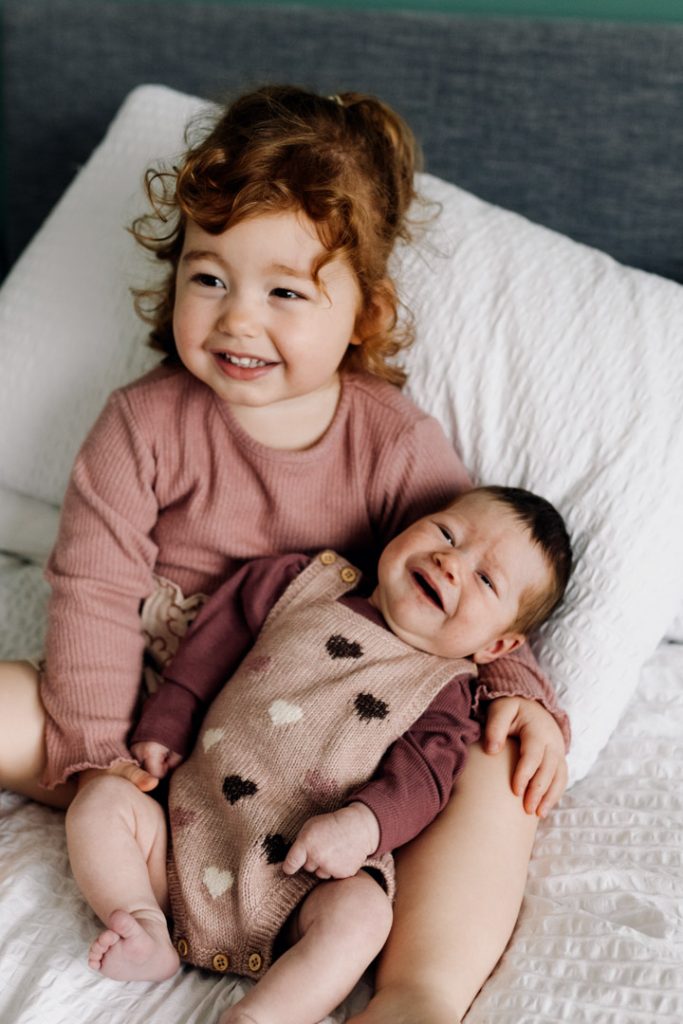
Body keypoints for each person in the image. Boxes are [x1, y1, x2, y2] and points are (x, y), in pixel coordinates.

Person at [0, 86, 569, 1024]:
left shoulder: (390, 443)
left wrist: (523, 699)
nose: (236, 319)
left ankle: (418, 989)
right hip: (161, 709)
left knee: (495, 774)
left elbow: (474, 585)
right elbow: (93, 590)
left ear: (361, 313)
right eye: (208, 276)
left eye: (284, 292)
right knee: (22, 697)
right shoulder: (143, 423)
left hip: (337, 759)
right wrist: (103, 751)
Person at [65, 485, 572, 1024]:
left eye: (485, 580)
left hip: (302, 880)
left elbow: (424, 779)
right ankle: (143, 922)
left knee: (363, 916)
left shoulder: (447, 692)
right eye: (446, 533)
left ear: (496, 647)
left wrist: (364, 826)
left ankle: (264, 1016)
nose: (451, 563)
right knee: (103, 798)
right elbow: (213, 642)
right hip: (182, 831)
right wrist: (167, 721)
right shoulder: (298, 584)